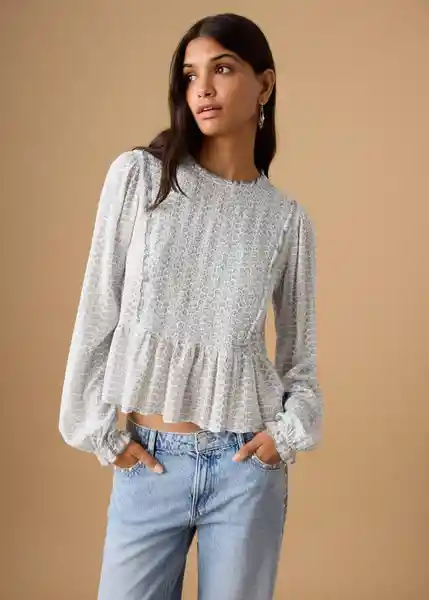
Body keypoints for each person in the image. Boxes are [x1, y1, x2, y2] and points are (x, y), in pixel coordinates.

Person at [58, 12, 323, 600]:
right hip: (150, 460)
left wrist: (284, 436)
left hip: (245, 469)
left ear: (265, 84)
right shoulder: (140, 179)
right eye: (190, 74)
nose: (202, 88)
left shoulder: (286, 221)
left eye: (222, 69)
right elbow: (97, 312)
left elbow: (299, 363)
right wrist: (100, 433)